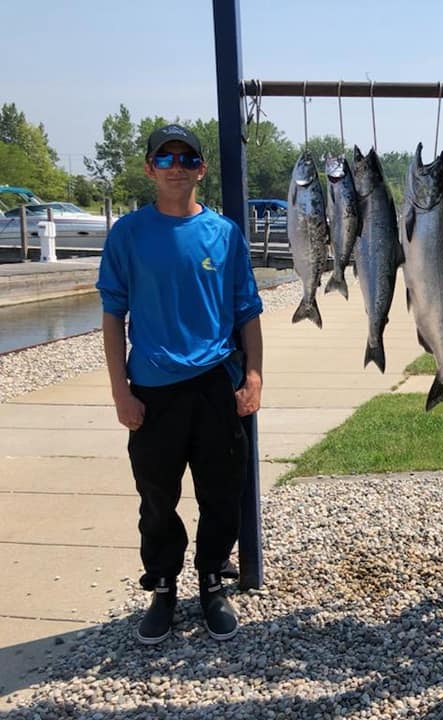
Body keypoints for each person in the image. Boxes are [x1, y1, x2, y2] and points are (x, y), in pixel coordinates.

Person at [97, 124, 264, 644]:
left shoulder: (224, 233)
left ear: (201, 169)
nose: (176, 168)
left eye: (186, 158)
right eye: (164, 159)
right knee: (157, 496)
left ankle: (212, 580)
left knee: (222, 490)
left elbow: (247, 312)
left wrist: (254, 374)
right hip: (152, 386)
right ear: (150, 168)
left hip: (215, 382)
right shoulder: (128, 233)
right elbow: (112, 315)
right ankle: (163, 584)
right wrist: (120, 390)